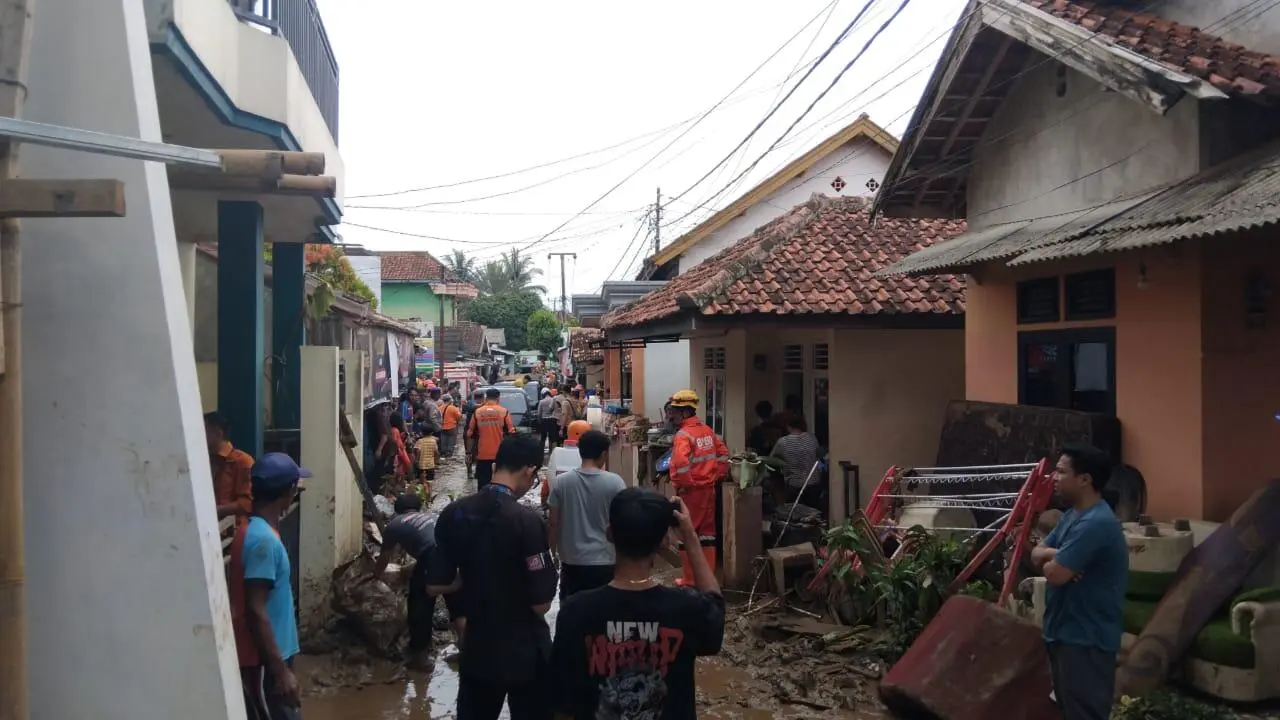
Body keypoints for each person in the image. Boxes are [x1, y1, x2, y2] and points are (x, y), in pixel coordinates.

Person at [550, 489, 725, 719]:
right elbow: (714, 605)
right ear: (664, 541)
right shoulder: (687, 609)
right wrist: (690, 537)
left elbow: (561, 705)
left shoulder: (575, 612)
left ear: (609, 533)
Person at [427, 435, 558, 719]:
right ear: (530, 470)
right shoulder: (527, 520)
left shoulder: (455, 513)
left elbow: (435, 583)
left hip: (479, 648)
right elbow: (542, 605)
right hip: (526, 651)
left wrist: (468, 583)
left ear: (497, 463)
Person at [1030, 443, 1127, 720]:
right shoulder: (1073, 516)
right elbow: (1036, 553)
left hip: (1086, 639)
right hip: (1063, 631)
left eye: (1061, 472)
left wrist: (1054, 561)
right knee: (1069, 710)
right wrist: (1056, 554)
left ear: (1085, 479)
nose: (1054, 478)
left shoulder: (1096, 523)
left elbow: (1054, 575)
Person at [230, 452, 310, 720]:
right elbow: (255, 609)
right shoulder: (263, 542)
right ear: (288, 493)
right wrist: (280, 672)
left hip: (274, 655)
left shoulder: (258, 530)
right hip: (264, 662)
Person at [372, 493, 464, 669]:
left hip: (432, 554)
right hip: (455, 553)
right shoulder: (431, 516)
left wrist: (375, 576)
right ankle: (466, 652)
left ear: (397, 511)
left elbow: (383, 560)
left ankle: (420, 658)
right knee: (457, 604)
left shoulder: (395, 524)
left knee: (419, 603)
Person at [548, 430, 627, 599]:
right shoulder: (615, 482)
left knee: (572, 614)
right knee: (602, 616)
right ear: (603, 453)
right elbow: (622, 523)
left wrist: (552, 553)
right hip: (605, 561)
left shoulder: (561, 482)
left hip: (572, 562)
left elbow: (553, 522)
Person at [667, 389, 729, 588]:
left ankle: (690, 579)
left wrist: (686, 485)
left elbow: (680, 464)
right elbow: (723, 454)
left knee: (687, 533)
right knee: (707, 535)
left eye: (675, 411)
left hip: (691, 493)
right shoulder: (706, 430)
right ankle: (707, 578)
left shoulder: (683, 435)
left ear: (685, 411)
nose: (671, 415)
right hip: (708, 490)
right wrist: (715, 476)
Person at [205, 411, 254, 522]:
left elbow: (247, 502)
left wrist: (215, 511)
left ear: (218, 433)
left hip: (231, 530)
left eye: (204, 430)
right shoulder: (203, 460)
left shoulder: (242, 461)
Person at [466, 387, 516, 488]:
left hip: (482, 455)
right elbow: (511, 433)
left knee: (483, 485)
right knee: (501, 484)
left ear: (486, 398)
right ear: (498, 398)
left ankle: (483, 503)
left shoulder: (478, 412)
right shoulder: (504, 412)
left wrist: (468, 453)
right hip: (500, 455)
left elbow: (470, 435)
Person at [768, 414, 822, 506]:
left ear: (788, 426)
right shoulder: (812, 438)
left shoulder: (783, 442)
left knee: (794, 513)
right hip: (814, 482)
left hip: (795, 484)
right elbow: (818, 457)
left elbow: (770, 460)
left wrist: (782, 468)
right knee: (814, 513)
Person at [389, 413, 414, 482]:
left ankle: (407, 480)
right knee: (407, 464)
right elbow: (394, 441)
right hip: (400, 450)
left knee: (404, 465)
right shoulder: (395, 430)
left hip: (400, 449)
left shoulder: (394, 429)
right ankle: (411, 479)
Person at [440, 395, 463, 459]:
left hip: (442, 427)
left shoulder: (440, 407)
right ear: (449, 400)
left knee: (443, 440)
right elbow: (459, 416)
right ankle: (449, 453)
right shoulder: (453, 408)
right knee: (451, 440)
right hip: (451, 427)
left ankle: (443, 452)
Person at [537, 388, 559, 455]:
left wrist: (539, 420)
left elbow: (539, 413)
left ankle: (541, 452)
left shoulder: (541, 401)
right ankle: (551, 452)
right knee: (551, 437)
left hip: (544, 420)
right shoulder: (553, 400)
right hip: (552, 420)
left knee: (543, 437)